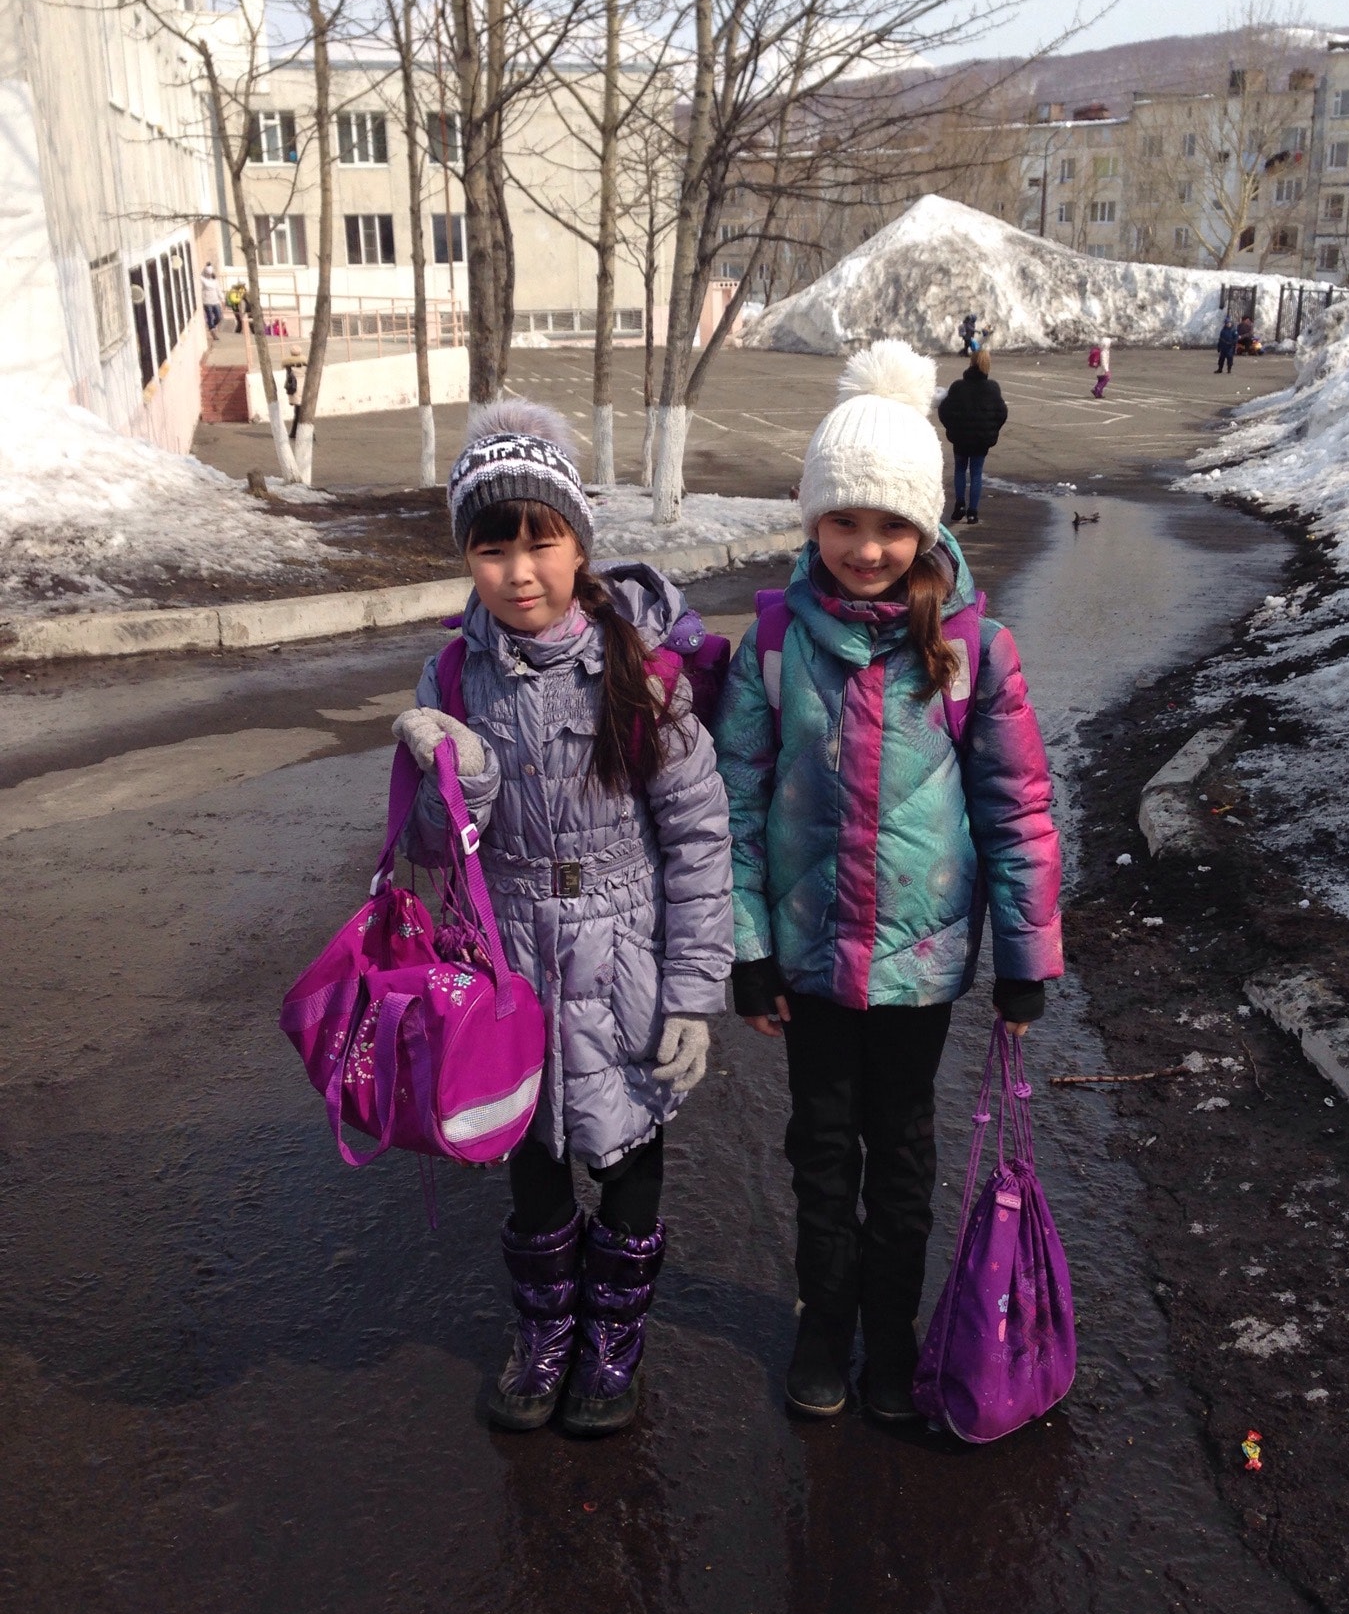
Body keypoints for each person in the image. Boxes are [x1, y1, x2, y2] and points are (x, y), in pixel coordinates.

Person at [712, 339, 1063, 1426]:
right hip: (811, 961)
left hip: (919, 967)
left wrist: (1026, 958)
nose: (867, 548)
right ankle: (825, 1325)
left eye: (891, 525)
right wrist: (748, 947)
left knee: (902, 1155)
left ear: (926, 526)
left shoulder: (973, 652)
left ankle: (893, 1333)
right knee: (822, 1150)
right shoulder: (775, 644)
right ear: (812, 520)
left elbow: (1016, 810)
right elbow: (734, 807)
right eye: (844, 521)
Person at [393, 406, 734, 1437]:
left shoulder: (637, 668)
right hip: (509, 968)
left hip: (624, 959)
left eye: (539, 542)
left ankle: (613, 1341)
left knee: (627, 1155)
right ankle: (544, 1334)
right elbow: (427, 848)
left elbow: (698, 836)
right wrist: (459, 784)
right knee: (533, 1163)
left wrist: (694, 994)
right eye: (490, 548)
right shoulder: (452, 676)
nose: (518, 572)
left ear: (580, 543)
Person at [938, 346, 1008, 524]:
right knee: (976, 473)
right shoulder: (992, 388)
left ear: (971, 363)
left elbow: (944, 410)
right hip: (981, 439)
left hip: (961, 438)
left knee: (960, 470)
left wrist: (952, 428)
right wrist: (991, 430)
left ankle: (959, 505)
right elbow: (1001, 412)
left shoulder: (957, 387)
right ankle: (973, 512)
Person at [200, 262, 224, 334]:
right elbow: (200, 289)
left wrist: (222, 298)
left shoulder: (215, 280)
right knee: (210, 316)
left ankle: (212, 325)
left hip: (215, 301)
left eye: (210, 274)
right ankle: (212, 329)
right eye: (208, 273)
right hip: (207, 301)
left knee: (219, 316)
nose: (209, 275)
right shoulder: (202, 279)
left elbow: (218, 289)